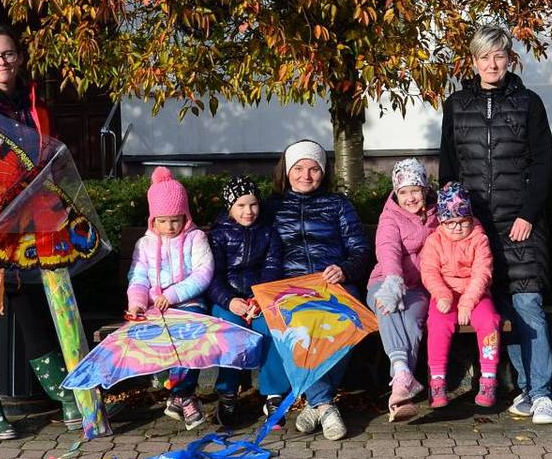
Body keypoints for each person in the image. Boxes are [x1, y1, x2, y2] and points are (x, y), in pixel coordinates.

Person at [0, 25, 80, 440]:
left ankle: (64, 396)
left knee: (30, 309)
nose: (1, 63)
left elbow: (50, 157)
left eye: (7, 54)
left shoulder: (34, 103)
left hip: (28, 225)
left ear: (19, 57)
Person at [439, 25, 552, 425]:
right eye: (484, 57)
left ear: (509, 58)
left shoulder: (530, 103)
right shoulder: (456, 105)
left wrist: (528, 213)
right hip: (474, 231)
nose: (492, 64)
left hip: (520, 224)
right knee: (499, 307)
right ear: (472, 61)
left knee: (528, 305)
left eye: (499, 56)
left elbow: (543, 164)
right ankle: (524, 387)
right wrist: (455, 225)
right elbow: (448, 170)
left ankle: (542, 393)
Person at [265, 139, 372, 440]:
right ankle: (325, 404)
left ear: (323, 173)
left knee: (349, 317)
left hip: (332, 282)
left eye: (313, 169)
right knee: (301, 322)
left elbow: (360, 249)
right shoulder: (271, 207)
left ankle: (318, 404)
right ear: (286, 171)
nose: (306, 175)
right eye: (298, 168)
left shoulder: (338, 204)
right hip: (290, 286)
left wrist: (345, 268)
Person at [126, 167, 214, 429]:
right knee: (157, 333)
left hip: (189, 302)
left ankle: (181, 394)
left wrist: (173, 295)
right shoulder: (145, 244)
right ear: (153, 219)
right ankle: (183, 397)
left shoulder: (196, 238)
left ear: (185, 215)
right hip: (154, 306)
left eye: (176, 220)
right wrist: (138, 303)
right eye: (162, 221)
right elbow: (138, 276)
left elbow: (203, 273)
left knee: (192, 330)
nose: (169, 227)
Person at [206, 176, 288, 429]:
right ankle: (228, 394)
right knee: (231, 333)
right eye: (241, 206)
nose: (248, 211)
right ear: (230, 207)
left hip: (259, 299)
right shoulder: (218, 235)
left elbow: (272, 267)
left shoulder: (268, 232)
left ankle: (273, 395)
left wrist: (258, 298)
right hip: (228, 300)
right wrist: (230, 301)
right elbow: (212, 276)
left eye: (253, 205)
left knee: (272, 329)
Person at [366, 158, 438, 422]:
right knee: (388, 307)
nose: (410, 198)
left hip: (419, 287)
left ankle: (400, 384)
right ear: (396, 193)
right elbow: (388, 250)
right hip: (384, 281)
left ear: (425, 190)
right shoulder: (390, 217)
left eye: (415, 190)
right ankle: (402, 375)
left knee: (411, 319)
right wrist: (393, 283)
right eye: (403, 192)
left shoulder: (438, 214)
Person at [420, 182, 502, 409]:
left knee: (489, 321)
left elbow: (482, 272)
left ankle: (489, 377)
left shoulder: (479, 238)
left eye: (462, 222)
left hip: (475, 294)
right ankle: (437, 381)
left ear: (470, 218)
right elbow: (428, 271)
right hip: (445, 294)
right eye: (450, 223)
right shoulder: (434, 240)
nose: (457, 227)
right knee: (437, 323)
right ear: (442, 221)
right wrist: (442, 294)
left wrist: (467, 303)